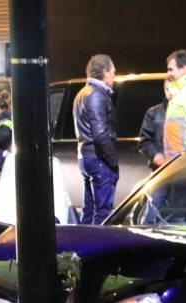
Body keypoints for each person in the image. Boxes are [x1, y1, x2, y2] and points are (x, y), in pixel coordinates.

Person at [73, 54, 119, 225]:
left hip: (86, 157)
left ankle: (82, 247)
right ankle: (96, 250)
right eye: (113, 71)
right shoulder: (96, 95)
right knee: (103, 211)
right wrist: (113, 162)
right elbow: (101, 134)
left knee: (89, 209)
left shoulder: (82, 93)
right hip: (98, 159)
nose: (114, 75)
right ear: (106, 72)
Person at [137, 80, 171, 170]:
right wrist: (155, 155)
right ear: (164, 90)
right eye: (168, 89)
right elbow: (144, 141)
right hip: (160, 169)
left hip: (184, 168)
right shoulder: (153, 113)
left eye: (174, 88)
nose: (171, 92)